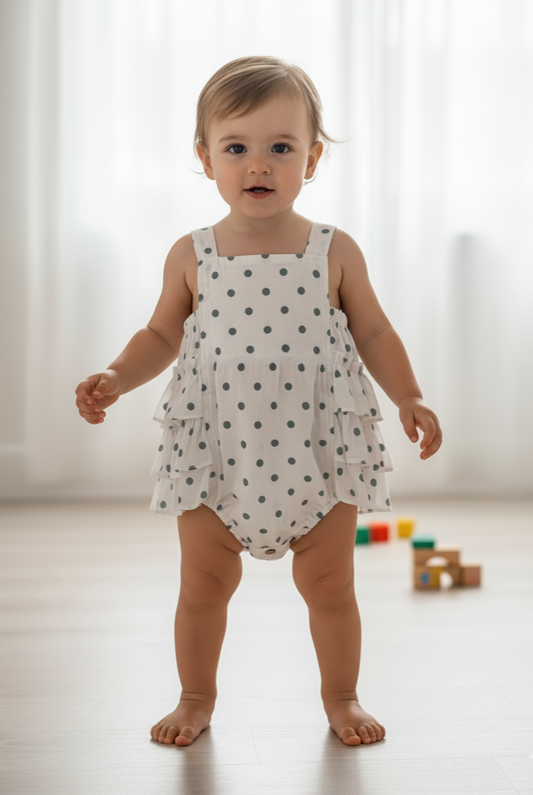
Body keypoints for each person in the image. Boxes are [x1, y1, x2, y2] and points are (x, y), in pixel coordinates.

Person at [75, 55, 442, 748]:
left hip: (318, 452)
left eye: (280, 147)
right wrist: (118, 376)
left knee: (331, 586)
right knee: (203, 587)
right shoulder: (193, 253)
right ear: (204, 156)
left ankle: (342, 695)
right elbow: (161, 333)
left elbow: (372, 329)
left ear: (312, 159)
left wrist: (409, 394)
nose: (258, 165)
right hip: (217, 456)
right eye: (236, 147)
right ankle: (193, 695)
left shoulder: (333, 250)